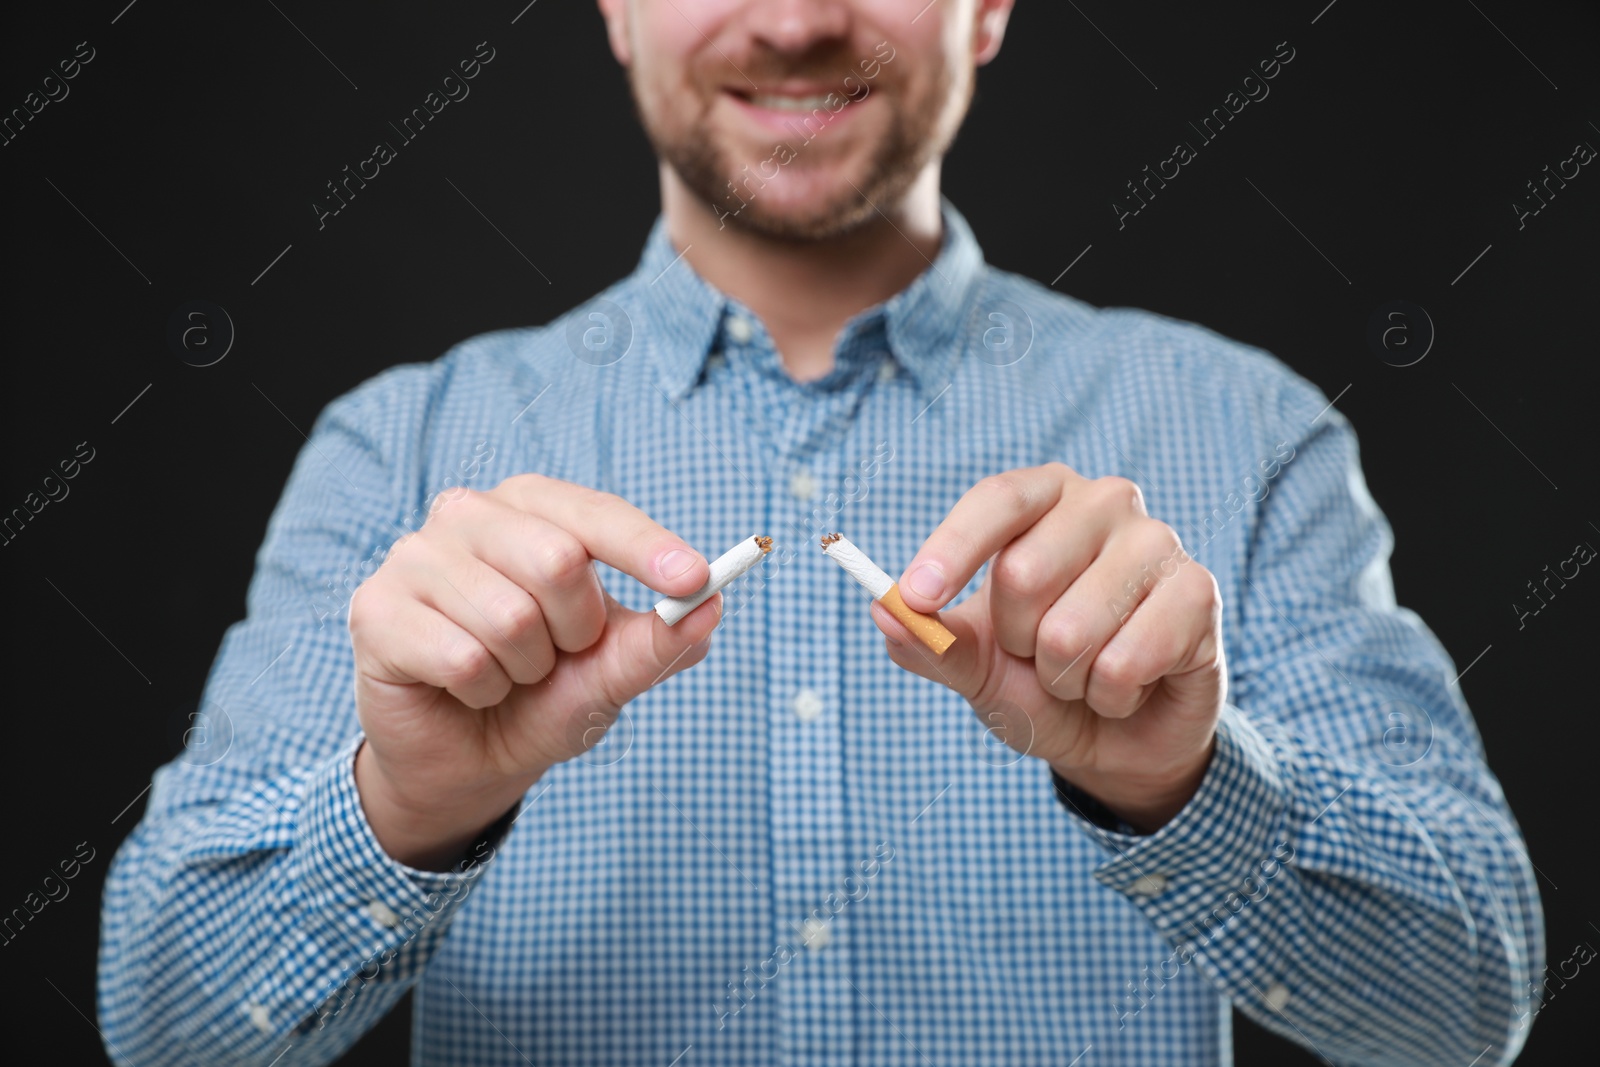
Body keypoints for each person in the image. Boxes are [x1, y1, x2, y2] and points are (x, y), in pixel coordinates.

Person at [98, 2, 1543, 1064]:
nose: (794, 22)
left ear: (989, 11)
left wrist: (1189, 784)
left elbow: (1469, 1014)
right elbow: (161, 1029)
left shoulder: (1240, 431)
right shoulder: (396, 451)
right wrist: (398, 815)